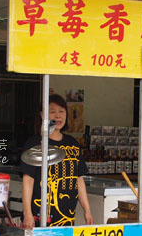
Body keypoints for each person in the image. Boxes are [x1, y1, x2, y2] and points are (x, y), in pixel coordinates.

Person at [21, 94, 93, 228]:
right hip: (40, 216)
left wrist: (87, 210)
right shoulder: (36, 143)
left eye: (61, 111)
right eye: (52, 112)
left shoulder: (72, 143)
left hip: (67, 217)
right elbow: (28, 180)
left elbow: (79, 179)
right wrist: (27, 213)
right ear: (42, 115)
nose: (58, 116)